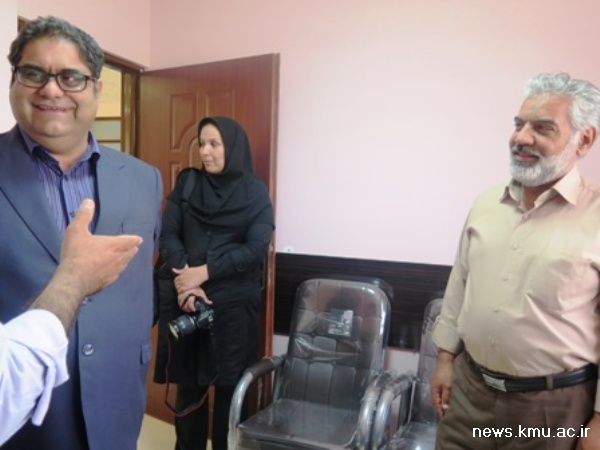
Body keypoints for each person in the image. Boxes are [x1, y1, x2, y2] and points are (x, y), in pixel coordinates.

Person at [0, 16, 163, 450]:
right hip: (22, 418)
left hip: (117, 403)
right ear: (14, 80)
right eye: (34, 73)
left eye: (71, 77)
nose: (51, 90)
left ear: (95, 88)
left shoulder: (144, 179)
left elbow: (142, 282)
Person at [430, 72, 600, 450]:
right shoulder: (487, 204)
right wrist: (445, 358)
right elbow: (460, 286)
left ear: (584, 140)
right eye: (519, 124)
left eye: (542, 128)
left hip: (551, 408)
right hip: (470, 393)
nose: (521, 137)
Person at [155, 116, 274, 450]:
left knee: (230, 390)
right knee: (189, 389)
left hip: (233, 308)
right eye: (201, 144)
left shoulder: (254, 193)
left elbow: (255, 248)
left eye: (214, 144)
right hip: (187, 301)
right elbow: (169, 233)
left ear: (232, 148)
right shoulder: (188, 182)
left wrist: (204, 272)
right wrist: (186, 280)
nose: (205, 152)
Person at [0, 199, 142, 446]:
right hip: (33, 430)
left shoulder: (144, 182)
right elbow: (9, 379)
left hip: (116, 408)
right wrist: (73, 280)